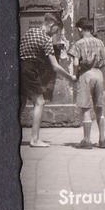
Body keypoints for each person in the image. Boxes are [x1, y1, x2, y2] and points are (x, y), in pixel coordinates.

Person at [20, 13, 76, 147]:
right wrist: (70, 77)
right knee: (40, 102)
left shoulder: (30, 32)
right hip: (29, 69)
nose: (55, 33)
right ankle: (35, 139)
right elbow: (55, 67)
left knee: (21, 101)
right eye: (56, 30)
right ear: (52, 25)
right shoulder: (46, 40)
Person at [69, 17, 105, 149]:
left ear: (80, 29)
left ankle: (87, 140)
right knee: (99, 106)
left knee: (85, 107)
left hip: (85, 75)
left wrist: (76, 73)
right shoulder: (99, 42)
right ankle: (102, 139)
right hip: (98, 74)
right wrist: (97, 66)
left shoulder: (78, 44)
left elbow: (75, 63)